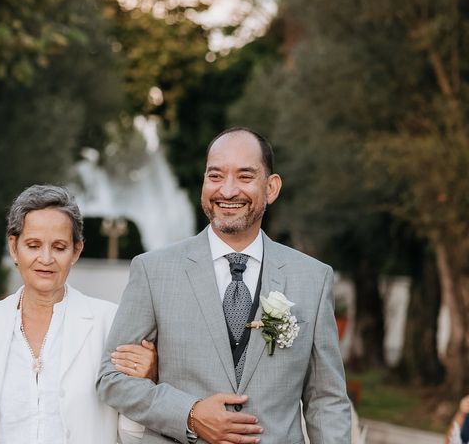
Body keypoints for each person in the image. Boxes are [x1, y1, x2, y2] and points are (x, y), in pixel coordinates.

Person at [97, 127, 351, 443]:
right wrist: (189, 413)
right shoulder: (152, 271)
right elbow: (112, 379)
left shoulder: (313, 278)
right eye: (215, 176)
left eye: (245, 177)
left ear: (271, 188)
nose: (227, 191)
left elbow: (326, 400)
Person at [0, 184, 156, 444]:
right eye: (33, 245)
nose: (45, 258)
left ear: (76, 250)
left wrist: (147, 381)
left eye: (59, 247)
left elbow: (132, 434)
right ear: (13, 246)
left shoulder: (110, 324)